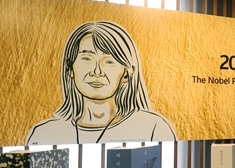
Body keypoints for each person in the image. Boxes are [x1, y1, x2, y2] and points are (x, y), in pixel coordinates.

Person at [26, 21, 176, 145]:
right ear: (70, 68)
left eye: (109, 61)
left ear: (126, 73)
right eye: (86, 59)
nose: (97, 71)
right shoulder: (43, 133)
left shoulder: (153, 127)